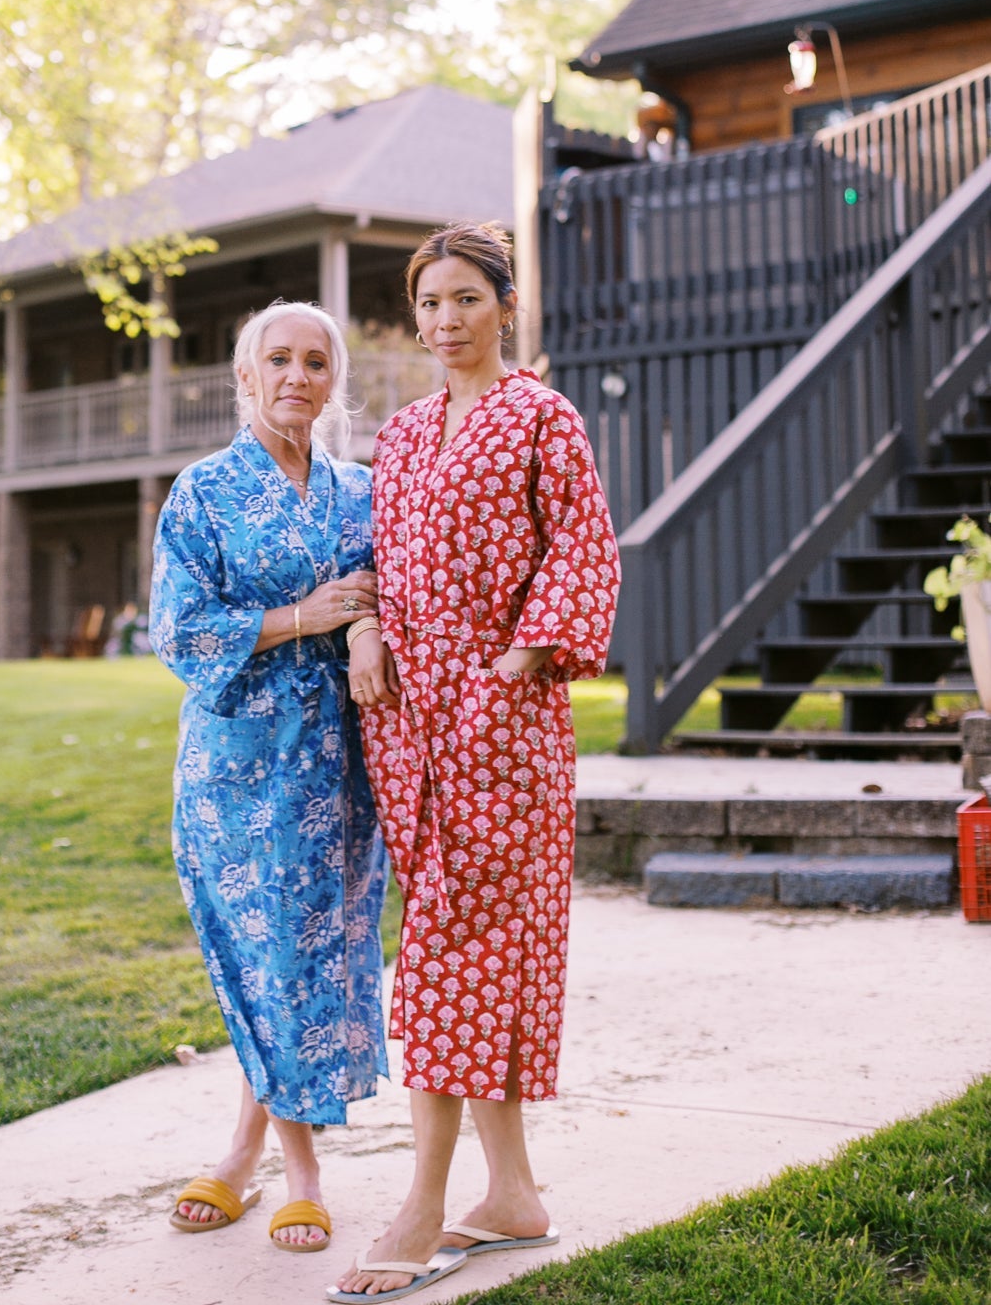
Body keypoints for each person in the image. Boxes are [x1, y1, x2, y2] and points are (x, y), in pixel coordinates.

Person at [331, 223, 619, 1301]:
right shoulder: (402, 435)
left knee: (453, 961)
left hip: (505, 730)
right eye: (429, 302)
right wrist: (363, 634)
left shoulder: (544, 416)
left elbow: (586, 552)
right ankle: (514, 1194)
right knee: (468, 954)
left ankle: (420, 1203)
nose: (444, 320)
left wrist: (512, 668)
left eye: (464, 299)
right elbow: (371, 563)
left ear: (505, 305)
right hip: (411, 731)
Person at [151, 300, 389, 1257]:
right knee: (264, 958)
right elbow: (179, 628)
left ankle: (241, 1154)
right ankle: (300, 1174)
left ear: (334, 381)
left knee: (301, 960)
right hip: (238, 766)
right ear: (245, 378)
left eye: (316, 361)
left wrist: (362, 624)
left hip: (338, 766)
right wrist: (305, 614)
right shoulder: (202, 493)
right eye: (277, 360)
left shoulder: (360, 489)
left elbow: (381, 588)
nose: (297, 376)